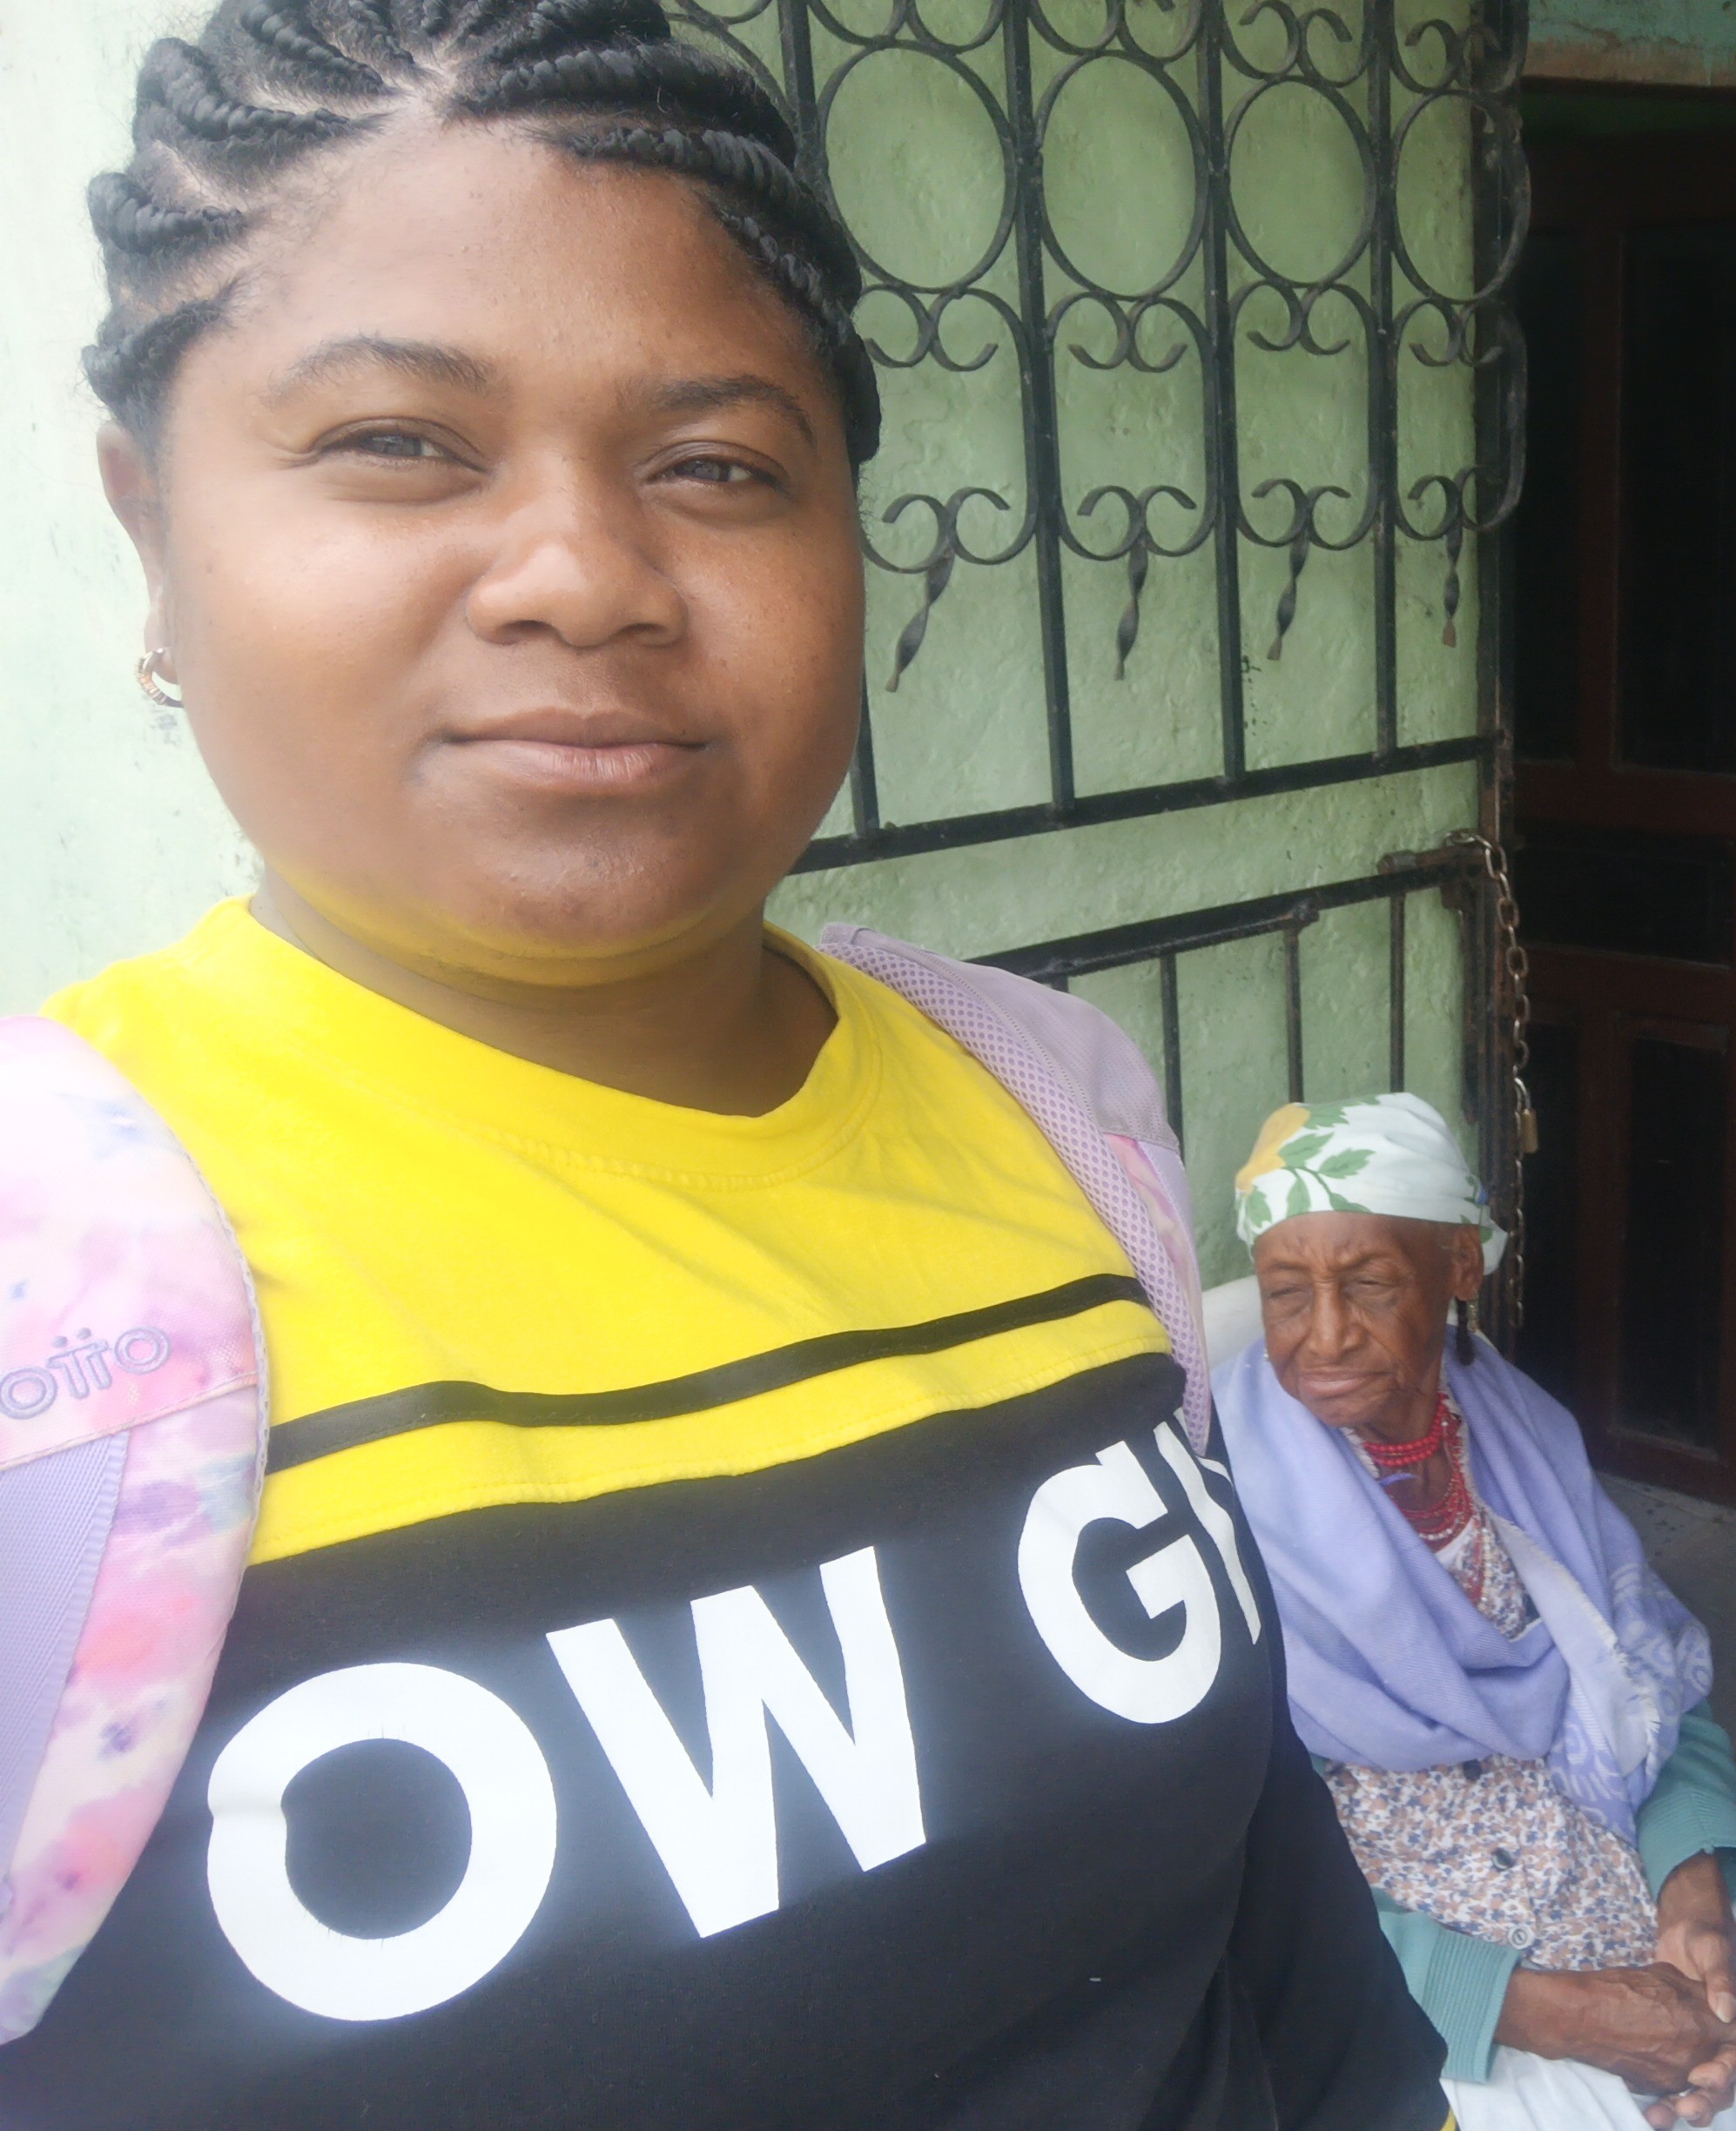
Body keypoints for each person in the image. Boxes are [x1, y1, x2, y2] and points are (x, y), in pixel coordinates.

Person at [0, 6, 1446, 2126]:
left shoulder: (1046, 1102)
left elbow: (1261, 1908)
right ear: (151, 529)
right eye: (401, 442)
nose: (584, 578)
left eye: (716, 466)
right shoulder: (55, 1291)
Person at [1215, 1094, 1736, 2131]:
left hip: (1616, 1848)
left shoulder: (1519, 1437)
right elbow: (1238, 1877)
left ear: (1461, 1268)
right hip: (1401, 1971)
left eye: (1369, 1284)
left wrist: (1693, 1892)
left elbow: (1656, 1689)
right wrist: (1550, 2013)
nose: (1324, 1334)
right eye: (1285, 1293)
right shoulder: (1213, 1502)